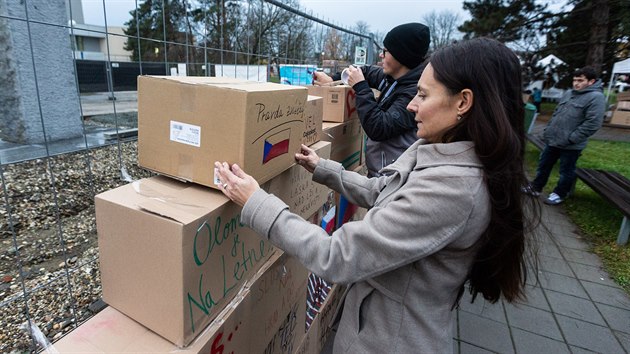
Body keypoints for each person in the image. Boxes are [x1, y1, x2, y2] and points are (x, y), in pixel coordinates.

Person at [215, 38, 536, 353]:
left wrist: (256, 202)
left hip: (392, 340)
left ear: (463, 102)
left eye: (422, 95)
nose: (411, 104)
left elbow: (337, 257)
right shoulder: (443, 151)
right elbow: (385, 192)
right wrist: (324, 168)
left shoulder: (452, 188)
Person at [313, 23, 430, 177]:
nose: (381, 55)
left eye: (385, 51)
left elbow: (379, 127)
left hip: (394, 181)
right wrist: (333, 79)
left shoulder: (414, 94)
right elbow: (365, 71)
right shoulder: (394, 78)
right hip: (379, 175)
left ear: (400, 56)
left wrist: (361, 87)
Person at [524, 66, 605, 205]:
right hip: (553, 140)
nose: (576, 83)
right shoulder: (569, 93)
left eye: (580, 80)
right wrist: (548, 130)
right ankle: (536, 187)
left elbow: (593, 123)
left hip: (571, 144)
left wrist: (572, 138)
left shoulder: (596, 97)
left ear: (591, 81)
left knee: (566, 171)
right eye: (574, 80)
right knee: (544, 165)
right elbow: (557, 113)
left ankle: (559, 194)